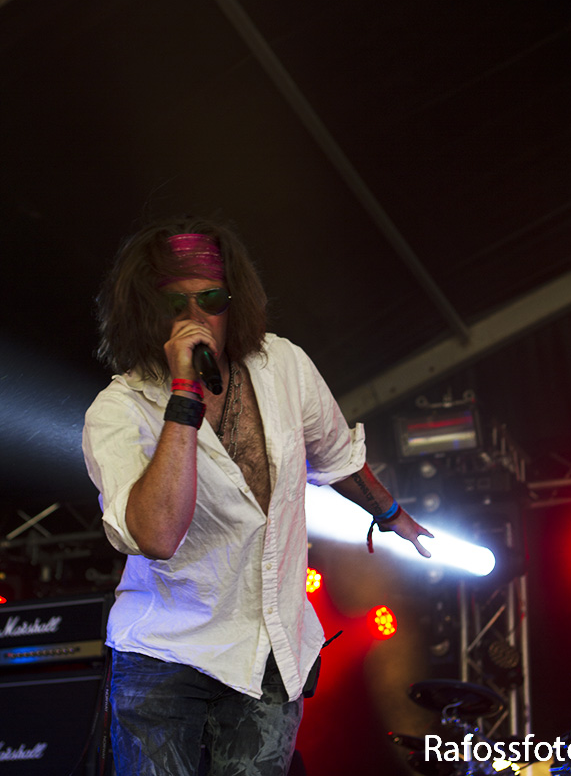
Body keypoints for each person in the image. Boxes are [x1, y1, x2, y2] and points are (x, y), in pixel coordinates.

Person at [82, 215, 433, 776]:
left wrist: (391, 512)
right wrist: (184, 395)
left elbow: (336, 454)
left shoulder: (284, 366)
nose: (196, 317)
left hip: (270, 649)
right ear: (146, 310)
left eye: (211, 299)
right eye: (175, 303)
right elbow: (157, 535)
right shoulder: (119, 410)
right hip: (165, 653)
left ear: (234, 301)